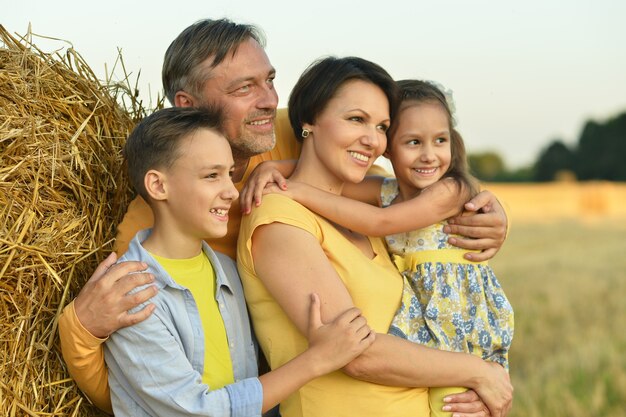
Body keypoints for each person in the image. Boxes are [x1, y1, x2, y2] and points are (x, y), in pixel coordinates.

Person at [57, 18, 509, 415]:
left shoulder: (290, 142)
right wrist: (81, 329)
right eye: (244, 88)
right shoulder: (151, 223)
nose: (268, 101)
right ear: (187, 103)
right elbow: (142, 387)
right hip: (268, 394)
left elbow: (390, 188)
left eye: (270, 80)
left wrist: (480, 208)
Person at [236, 56, 513, 417]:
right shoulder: (279, 217)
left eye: (382, 127)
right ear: (308, 121)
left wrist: (477, 395)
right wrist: (482, 373)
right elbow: (357, 353)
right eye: (356, 119)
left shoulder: (379, 215)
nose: (373, 141)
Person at [103, 105, 375, 416]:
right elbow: (199, 410)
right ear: (158, 186)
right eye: (211, 176)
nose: (231, 192)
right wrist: (317, 359)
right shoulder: (131, 296)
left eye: (230, 174)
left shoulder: (228, 271)